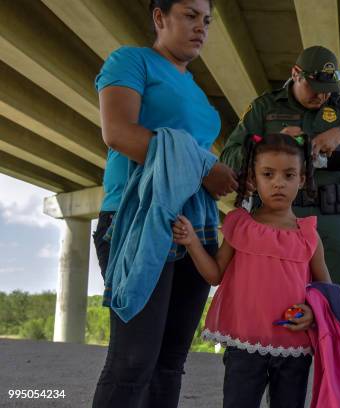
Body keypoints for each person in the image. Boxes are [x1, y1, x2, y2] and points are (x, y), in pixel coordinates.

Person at [91, 1, 237, 406]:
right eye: (190, 16)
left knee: (171, 362)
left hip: (194, 229)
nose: (200, 28)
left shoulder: (200, 97)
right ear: (160, 18)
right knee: (133, 359)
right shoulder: (132, 61)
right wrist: (205, 168)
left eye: (206, 21)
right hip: (136, 219)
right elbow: (119, 132)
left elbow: (190, 155)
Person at [220, 45, 340, 306]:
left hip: (331, 213)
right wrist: (271, 145)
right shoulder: (265, 106)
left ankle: (334, 345)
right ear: (296, 74)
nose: (322, 96)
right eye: (314, 87)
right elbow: (229, 154)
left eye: (328, 90)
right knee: (272, 295)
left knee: (338, 296)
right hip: (275, 215)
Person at [172, 133, 332, 407]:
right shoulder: (239, 224)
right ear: (253, 179)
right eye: (268, 174)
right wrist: (192, 243)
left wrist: (313, 314)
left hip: (294, 347)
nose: (278, 182)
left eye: (289, 175)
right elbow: (215, 275)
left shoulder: (308, 235)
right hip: (244, 343)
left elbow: (325, 291)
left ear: (302, 180)